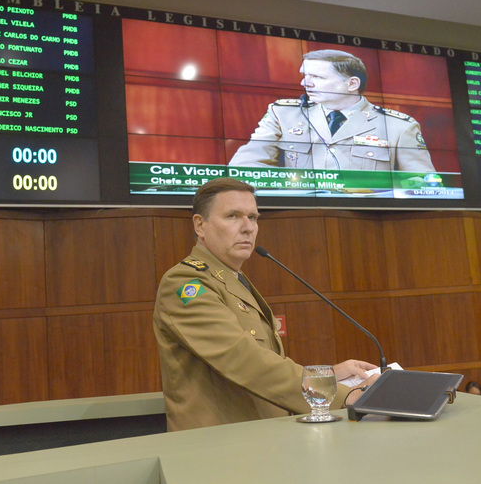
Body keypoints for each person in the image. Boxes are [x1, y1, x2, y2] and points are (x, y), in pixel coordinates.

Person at [153, 177, 379, 431]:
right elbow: (243, 359)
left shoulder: (232, 279)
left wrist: (328, 375)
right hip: (218, 443)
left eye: (253, 217)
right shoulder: (184, 283)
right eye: (232, 216)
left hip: (258, 436)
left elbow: (265, 360)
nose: (247, 228)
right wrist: (342, 395)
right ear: (200, 225)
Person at [229, 49, 435, 172]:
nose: (305, 84)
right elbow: (245, 165)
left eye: (317, 77)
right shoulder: (283, 114)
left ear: (352, 84)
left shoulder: (398, 126)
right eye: (305, 76)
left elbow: (423, 184)